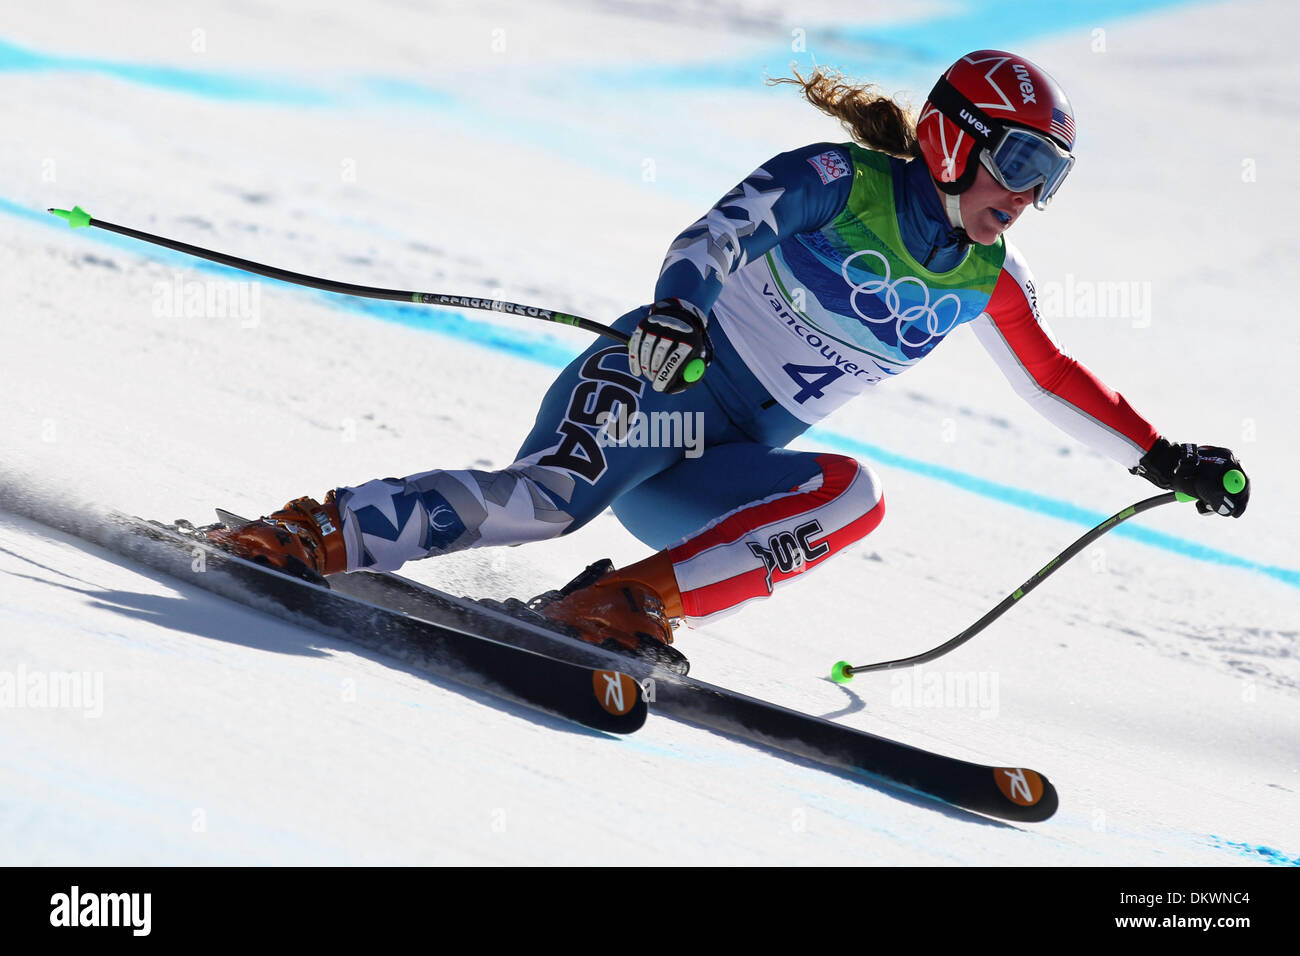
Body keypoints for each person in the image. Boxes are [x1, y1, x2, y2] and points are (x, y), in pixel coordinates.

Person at [211, 49, 1249, 660]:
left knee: (852, 493)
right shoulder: (838, 181)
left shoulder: (986, 279)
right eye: (1018, 161)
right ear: (951, 137)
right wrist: (676, 311)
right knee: (546, 502)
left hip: (715, 470)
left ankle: (625, 600)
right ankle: (317, 530)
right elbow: (714, 236)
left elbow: (1053, 380)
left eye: (1047, 177)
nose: (1025, 194)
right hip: (661, 392)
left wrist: (1164, 458)